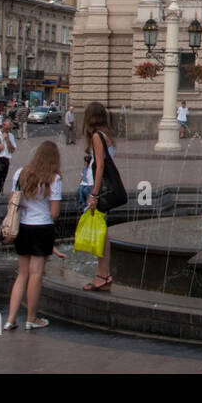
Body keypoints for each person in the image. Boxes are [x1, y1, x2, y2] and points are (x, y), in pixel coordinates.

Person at [4, 141, 62, 331]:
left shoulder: (21, 173)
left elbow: (12, 201)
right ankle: (31, 318)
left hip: (23, 227)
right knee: (36, 274)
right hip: (43, 227)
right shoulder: (54, 179)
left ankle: (11, 319)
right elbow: (54, 213)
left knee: (22, 274)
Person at [82, 101, 118, 291]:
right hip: (105, 188)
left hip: (99, 188)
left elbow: (101, 166)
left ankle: (103, 275)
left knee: (101, 233)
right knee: (102, 231)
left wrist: (94, 193)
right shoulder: (107, 136)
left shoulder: (97, 136)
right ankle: (103, 274)